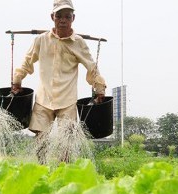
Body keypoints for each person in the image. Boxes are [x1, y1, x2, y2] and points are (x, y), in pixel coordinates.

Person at [11, 0, 107, 163]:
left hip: (67, 100)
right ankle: (41, 170)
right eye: (59, 16)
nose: (63, 20)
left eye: (67, 17)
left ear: (73, 18)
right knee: (41, 139)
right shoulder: (41, 40)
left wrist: (100, 90)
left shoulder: (78, 43)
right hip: (44, 98)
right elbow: (27, 61)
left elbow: (92, 67)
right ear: (52, 17)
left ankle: (64, 172)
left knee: (67, 142)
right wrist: (17, 81)